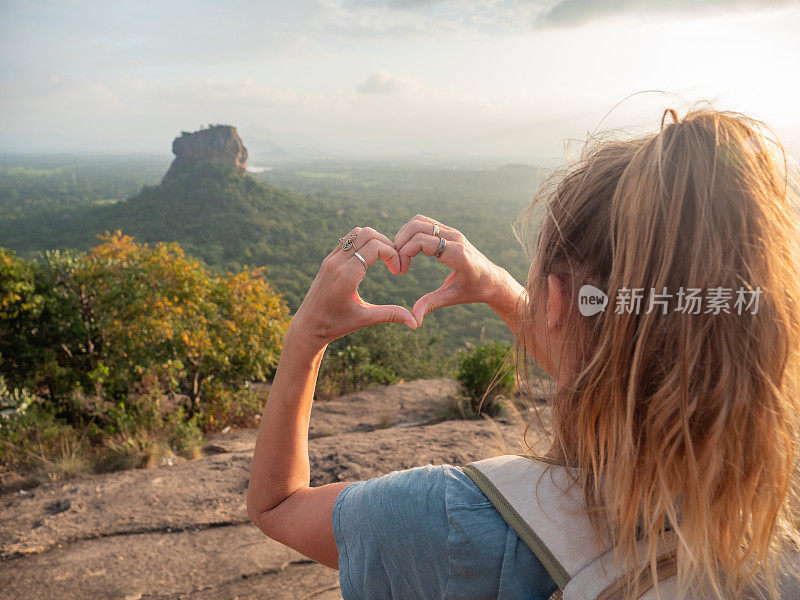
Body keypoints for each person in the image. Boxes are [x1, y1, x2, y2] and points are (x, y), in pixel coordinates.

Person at [246, 106, 800, 599]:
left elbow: (278, 505)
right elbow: (623, 360)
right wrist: (502, 291)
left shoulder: (455, 521)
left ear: (556, 302)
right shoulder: (772, 510)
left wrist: (307, 337)